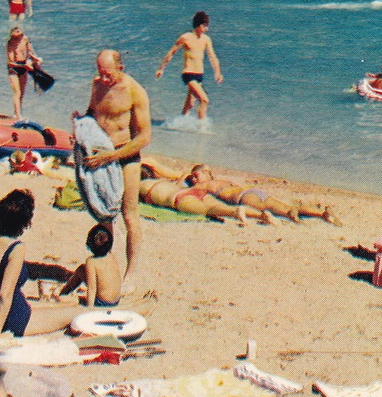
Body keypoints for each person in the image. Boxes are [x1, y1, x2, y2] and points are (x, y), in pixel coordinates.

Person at [81, 50, 152, 277]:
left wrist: (111, 156)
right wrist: (81, 124)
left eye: (107, 74)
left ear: (120, 68)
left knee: (129, 214)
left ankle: (130, 274)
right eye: (100, 73)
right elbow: (93, 113)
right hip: (101, 156)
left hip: (125, 157)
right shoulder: (97, 85)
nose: (103, 79)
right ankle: (106, 269)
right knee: (104, 215)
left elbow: (144, 137)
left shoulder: (135, 91)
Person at [0, 190, 81, 337]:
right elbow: (5, 294)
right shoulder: (16, 248)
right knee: (75, 314)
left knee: (51, 311)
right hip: (10, 318)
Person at [151, 162, 338, 224]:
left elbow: (183, 190)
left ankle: (296, 215)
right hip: (252, 191)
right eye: (192, 177)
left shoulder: (206, 185)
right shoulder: (222, 180)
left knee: (273, 209)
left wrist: (182, 177)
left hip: (243, 197)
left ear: (206, 173)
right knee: (286, 207)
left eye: (195, 175)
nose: (193, 179)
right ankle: (321, 214)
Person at [137, 167, 273, 224]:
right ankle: (261, 215)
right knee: (217, 205)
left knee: (209, 210)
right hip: (192, 192)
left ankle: (235, 212)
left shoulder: (140, 186)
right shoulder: (163, 181)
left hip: (179, 198)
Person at [155, 11, 224, 122]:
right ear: (199, 25)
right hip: (189, 74)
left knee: (190, 103)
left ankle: (179, 123)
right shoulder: (185, 37)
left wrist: (218, 72)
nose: (207, 29)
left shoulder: (206, 39)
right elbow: (171, 52)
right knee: (204, 100)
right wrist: (161, 68)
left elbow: (212, 57)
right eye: (205, 26)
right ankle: (201, 128)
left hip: (199, 75)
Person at [57, 223, 122, 307]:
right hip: (116, 301)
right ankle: (64, 292)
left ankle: (63, 294)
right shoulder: (112, 257)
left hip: (102, 303)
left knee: (62, 299)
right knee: (81, 270)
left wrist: (89, 309)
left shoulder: (91, 262)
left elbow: (92, 288)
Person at [6, 28, 42, 120]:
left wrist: (35, 59)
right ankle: (18, 116)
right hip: (14, 68)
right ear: (12, 34)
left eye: (20, 33)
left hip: (24, 66)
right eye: (16, 33)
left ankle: (16, 113)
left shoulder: (25, 39)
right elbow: (10, 62)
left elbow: (30, 52)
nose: (19, 36)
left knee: (22, 93)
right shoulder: (10, 43)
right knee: (17, 92)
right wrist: (25, 66)